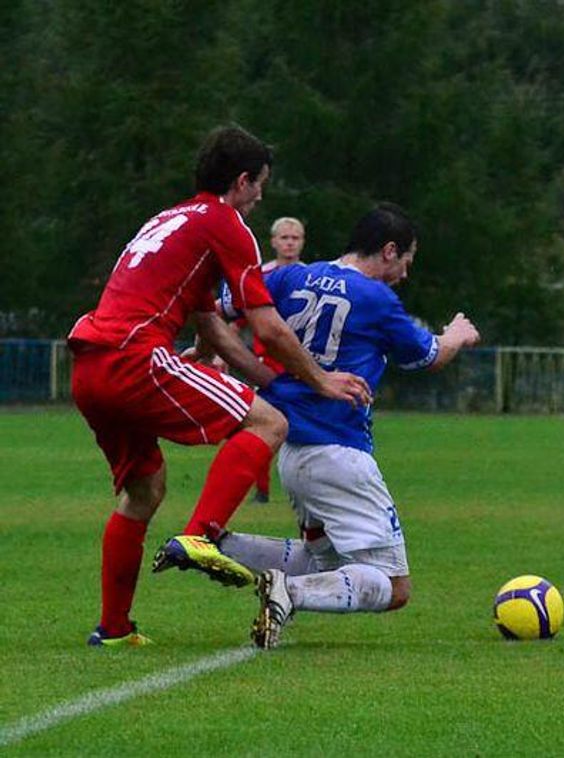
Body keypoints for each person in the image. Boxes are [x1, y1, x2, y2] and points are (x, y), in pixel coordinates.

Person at [68, 125, 372, 647]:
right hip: (133, 356)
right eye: (260, 186)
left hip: (89, 364)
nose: (260, 198)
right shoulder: (226, 223)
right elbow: (269, 328)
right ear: (243, 179)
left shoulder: (170, 217)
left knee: (145, 490)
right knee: (269, 423)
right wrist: (319, 379)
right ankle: (200, 535)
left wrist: (276, 382)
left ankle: (114, 629)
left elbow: (211, 328)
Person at [209, 203, 480, 649]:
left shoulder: (287, 277)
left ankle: (220, 547)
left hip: (291, 451)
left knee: (325, 562)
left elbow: (216, 302)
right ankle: (288, 593)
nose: (405, 275)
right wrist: (457, 335)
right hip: (340, 453)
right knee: (394, 586)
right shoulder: (376, 299)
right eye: (406, 261)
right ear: (389, 251)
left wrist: (220, 352)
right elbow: (429, 356)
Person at [247, 216, 307, 502]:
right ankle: (262, 489)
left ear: (302, 242)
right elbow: (236, 317)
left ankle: (307, 486)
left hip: (301, 363)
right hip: (267, 365)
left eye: (295, 238)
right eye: (285, 238)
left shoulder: (314, 277)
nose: (290, 243)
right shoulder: (262, 276)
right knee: (266, 425)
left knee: (302, 428)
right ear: (273, 242)